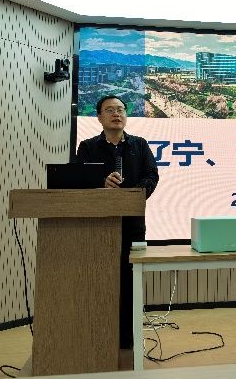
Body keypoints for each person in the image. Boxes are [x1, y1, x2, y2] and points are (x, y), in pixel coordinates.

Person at [76, 95, 159, 349]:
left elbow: (152, 175)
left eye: (121, 109)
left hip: (132, 224)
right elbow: (78, 180)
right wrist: (102, 183)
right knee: (101, 280)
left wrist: (134, 195)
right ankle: (100, 336)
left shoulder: (139, 144)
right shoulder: (88, 147)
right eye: (110, 110)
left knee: (130, 281)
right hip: (99, 225)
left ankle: (128, 339)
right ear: (99, 117)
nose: (117, 114)